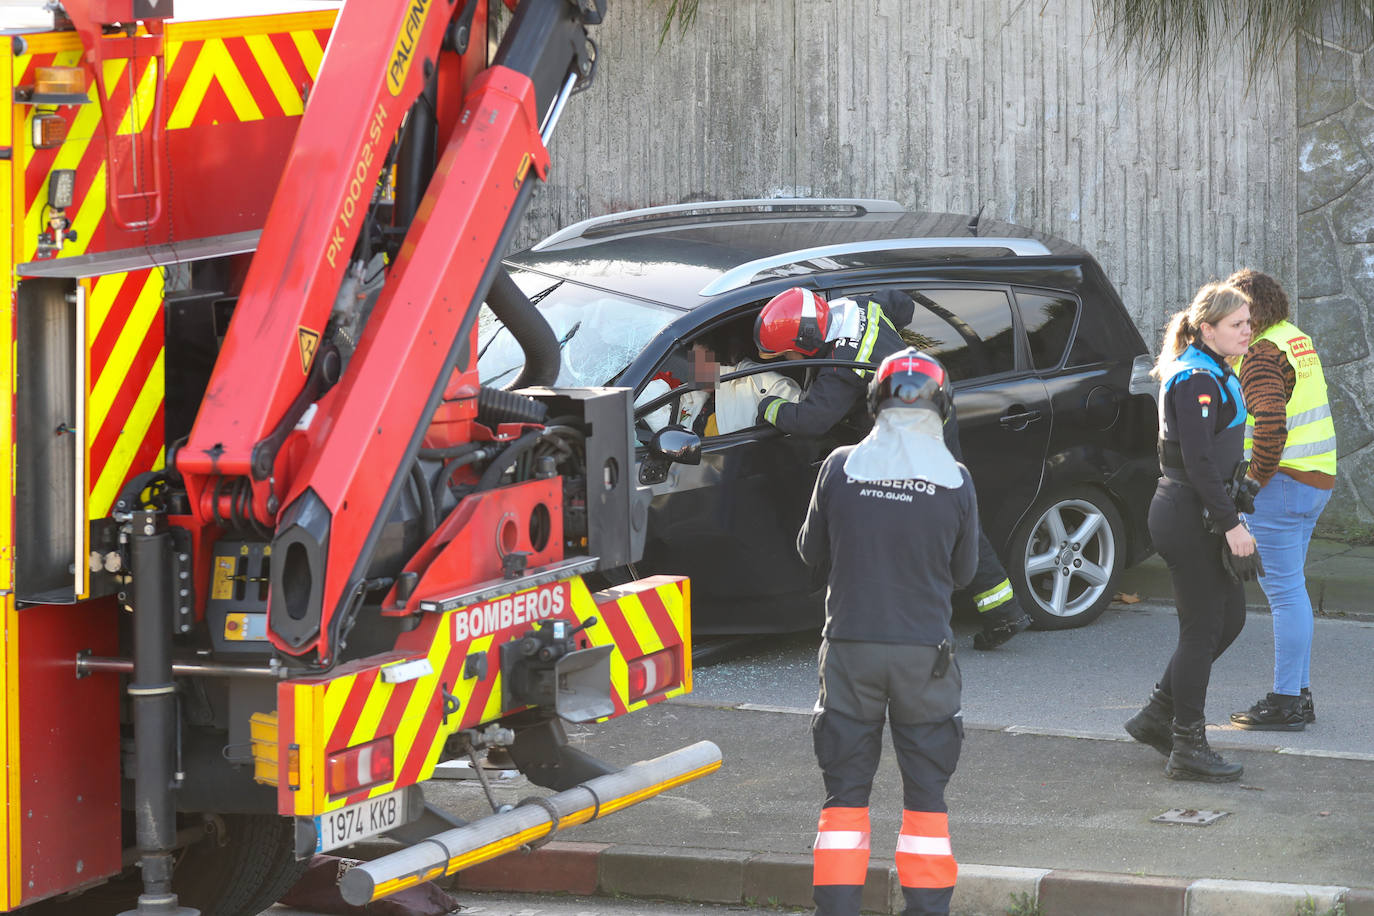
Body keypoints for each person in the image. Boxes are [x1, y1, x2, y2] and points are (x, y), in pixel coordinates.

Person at [797, 348, 978, 916]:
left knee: (845, 801)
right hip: (924, 657)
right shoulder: (956, 479)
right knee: (926, 802)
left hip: (851, 650)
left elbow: (810, 552)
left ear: (875, 402)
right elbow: (966, 573)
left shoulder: (840, 465)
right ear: (942, 407)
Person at [755, 287, 1029, 650]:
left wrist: (767, 407)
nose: (786, 358)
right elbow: (903, 304)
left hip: (919, 425)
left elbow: (811, 420)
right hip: (931, 399)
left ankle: (1003, 613)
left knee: (942, 509)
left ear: (807, 342)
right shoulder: (855, 306)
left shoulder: (841, 365)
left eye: (787, 353)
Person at [1123, 281, 1260, 782]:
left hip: (1198, 509)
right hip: (1189, 515)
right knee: (1202, 630)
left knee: (1228, 621)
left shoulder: (1212, 369)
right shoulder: (1195, 379)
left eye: (1248, 323)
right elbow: (1199, 463)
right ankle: (1188, 747)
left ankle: (1157, 715)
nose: (1246, 331)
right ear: (1207, 329)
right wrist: (1232, 525)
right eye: (1236, 324)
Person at [1226, 269, 1337, 731]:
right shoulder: (1295, 339)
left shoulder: (1260, 354)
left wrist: (1252, 480)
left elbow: (1270, 421)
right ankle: (1299, 694)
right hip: (1315, 480)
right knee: (1293, 590)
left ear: (1250, 310)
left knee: (1285, 593)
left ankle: (1286, 701)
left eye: (1236, 311)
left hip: (1282, 484)